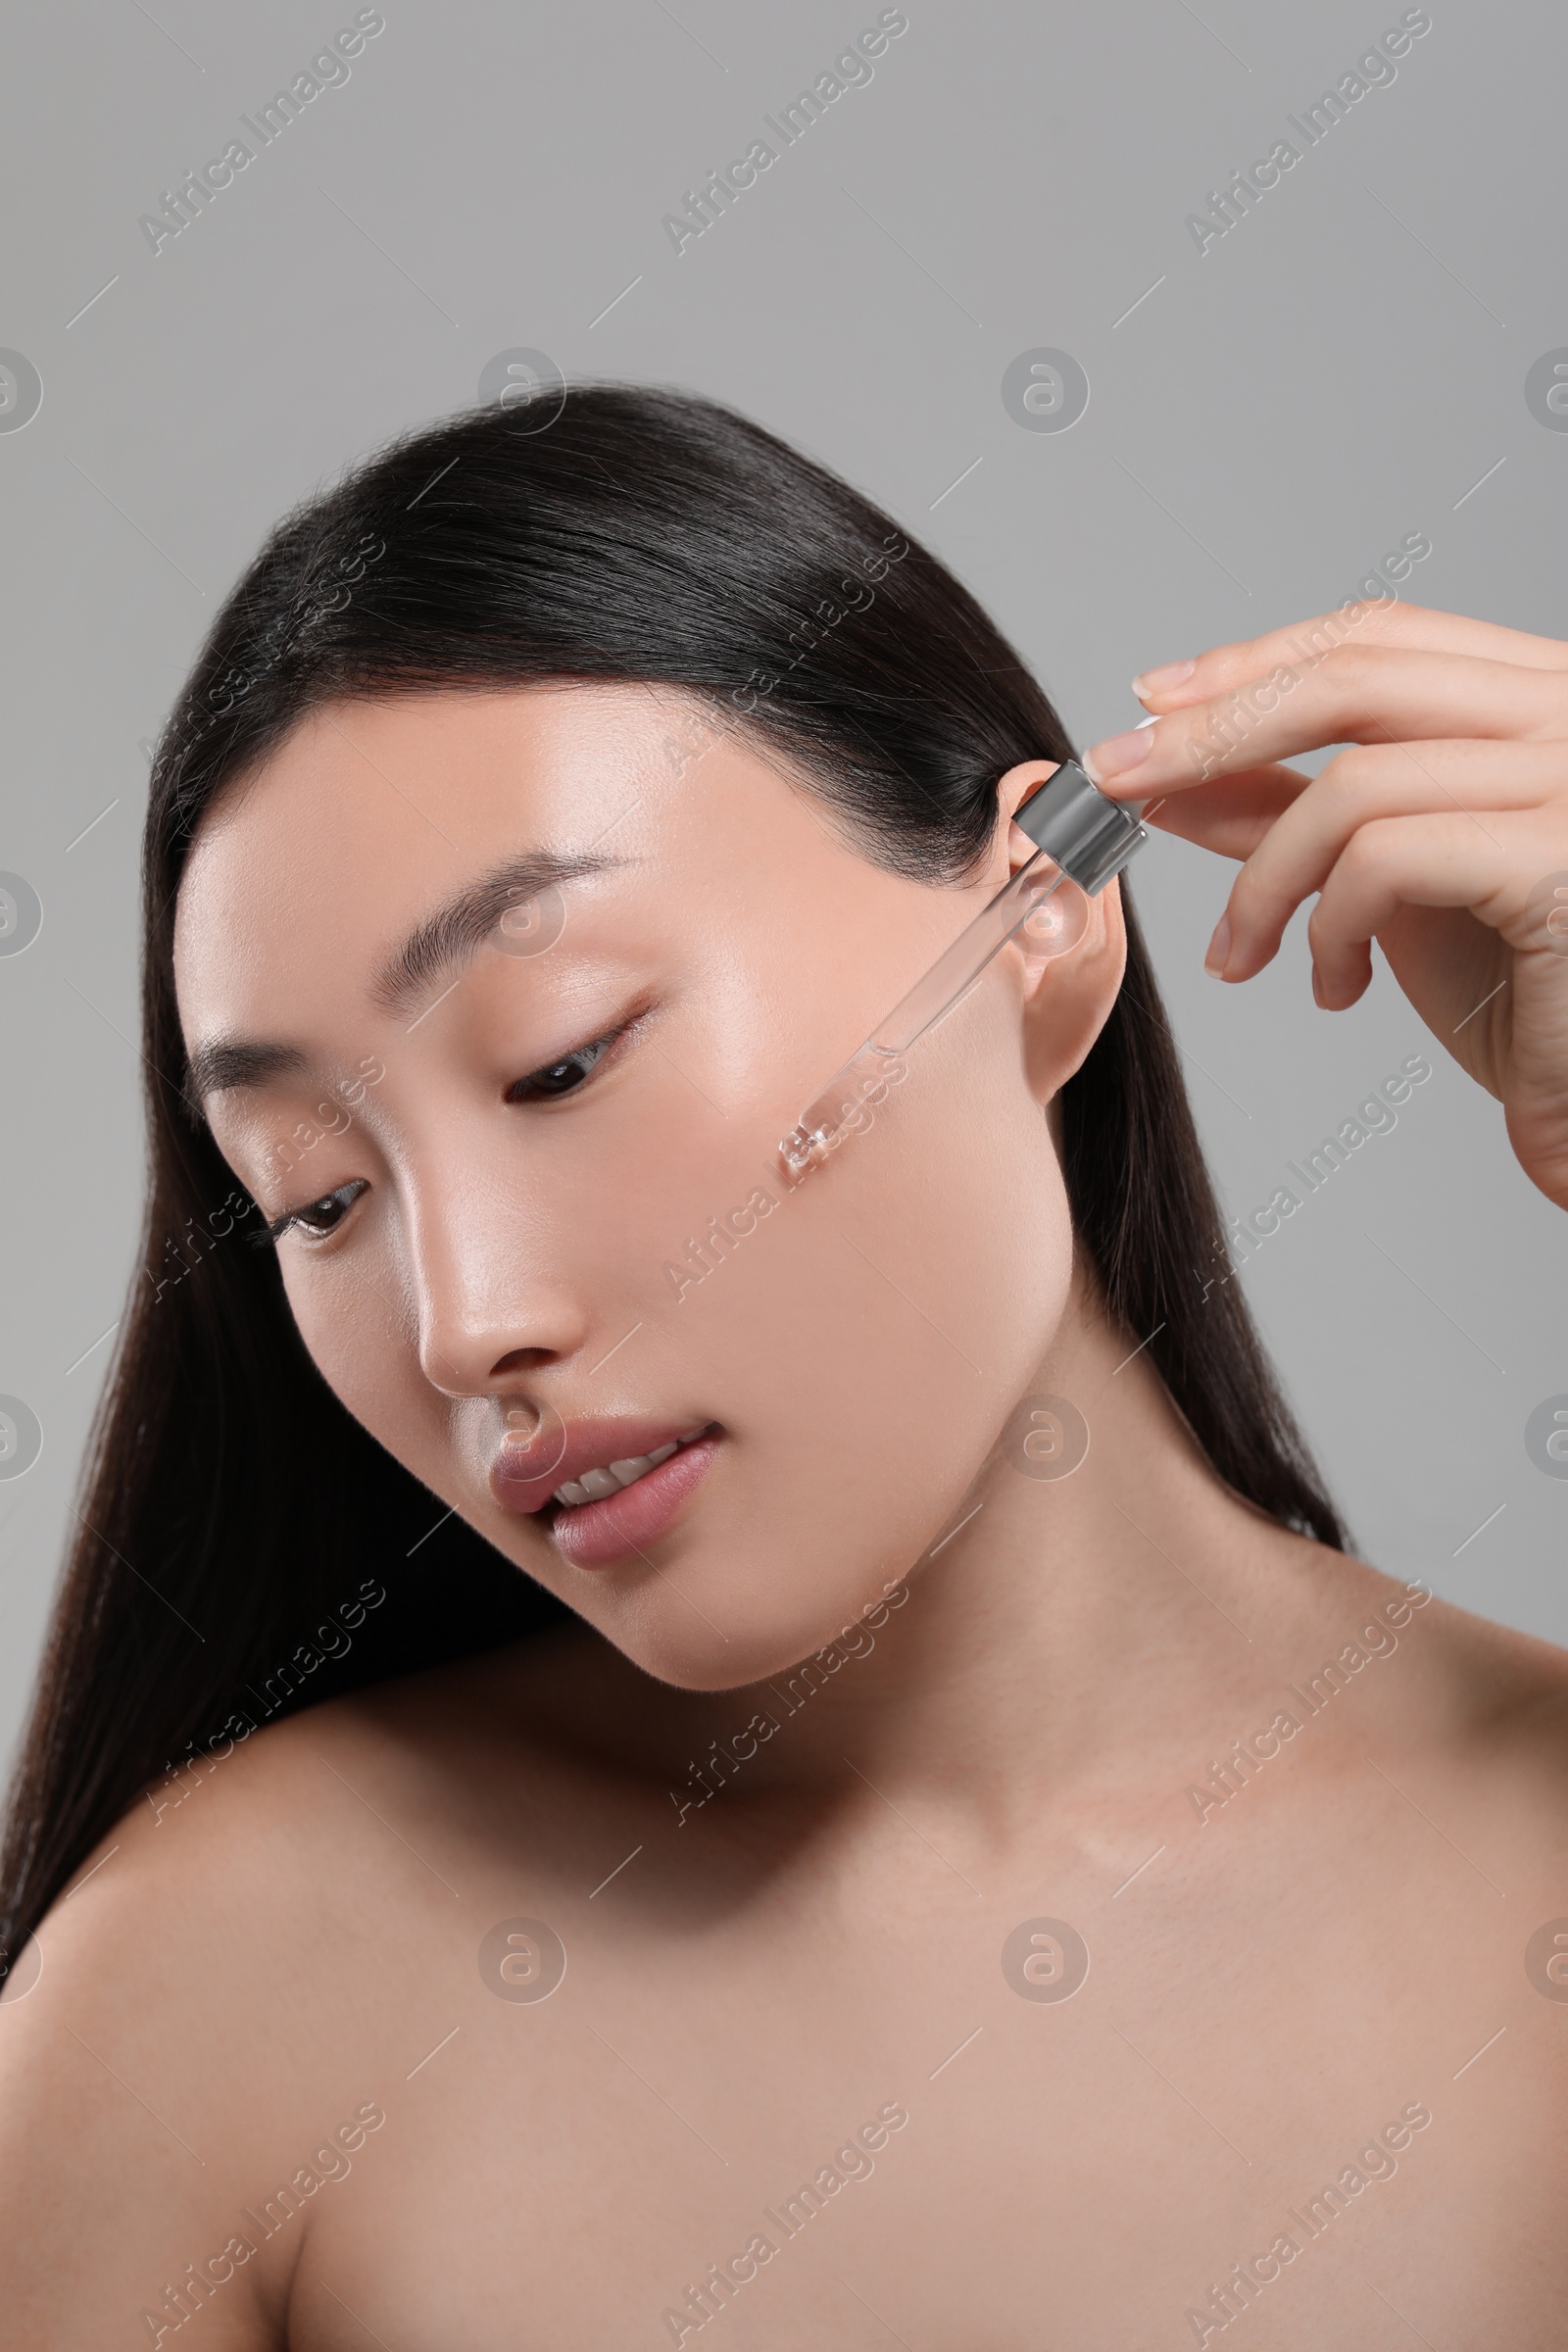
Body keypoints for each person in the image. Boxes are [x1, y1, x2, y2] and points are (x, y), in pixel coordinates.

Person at [1, 384, 1564, 2346]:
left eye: (561, 1054)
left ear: (1043, 924)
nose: (462, 1319)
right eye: (317, 1199)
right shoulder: (217, 1997)